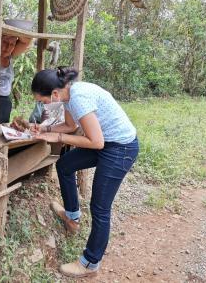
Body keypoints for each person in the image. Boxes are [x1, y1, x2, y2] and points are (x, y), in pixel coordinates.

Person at [31, 66, 139, 278]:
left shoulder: (79, 98)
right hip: (106, 143)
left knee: (100, 207)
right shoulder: (68, 94)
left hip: (121, 148)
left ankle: (90, 262)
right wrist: (45, 129)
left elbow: (95, 142)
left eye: (43, 102)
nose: (43, 105)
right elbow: (70, 126)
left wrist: (58, 138)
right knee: (64, 166)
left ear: (54, 94)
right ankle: (72, 218)